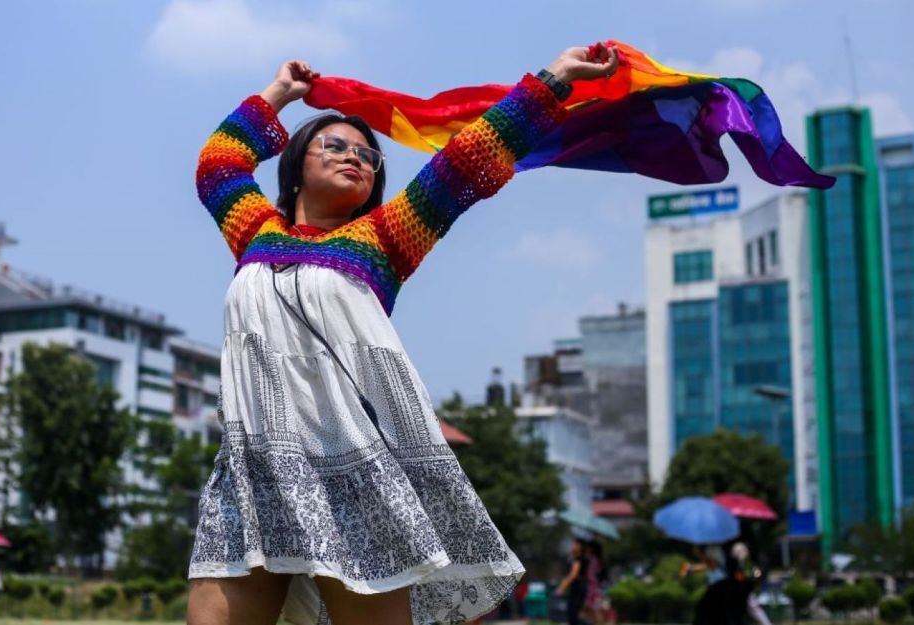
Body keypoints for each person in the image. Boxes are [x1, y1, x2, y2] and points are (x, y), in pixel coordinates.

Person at [184, 43, 618, 625]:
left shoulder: (386, 238)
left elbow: (465, 160)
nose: (355, 157)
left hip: (356, 472)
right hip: (252, 469)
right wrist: (278, 95)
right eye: (334, 145)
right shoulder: (254, 231)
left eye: (368, 155)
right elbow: (217, 163)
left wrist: (555, 79)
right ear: (295, 167)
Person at [555, 540, 591, 625]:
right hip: (579, 588)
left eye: (575, 544)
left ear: (580, 547)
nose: (572, 546)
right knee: (574, 614)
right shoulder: (576, 558)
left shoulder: (578, 559)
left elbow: (573, 574)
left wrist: (561, 588)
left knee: (573, 615)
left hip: (578, 588)